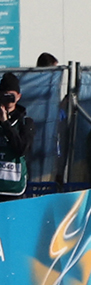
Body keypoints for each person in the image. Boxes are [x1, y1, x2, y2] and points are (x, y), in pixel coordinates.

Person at [0, 72, 34, 201]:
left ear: (18, 96)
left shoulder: (25, 122)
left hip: (13, 187)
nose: (8, 99)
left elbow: (22, 149)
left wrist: (5, 124)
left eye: (11, 95)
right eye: (4, 95)